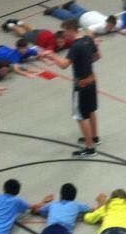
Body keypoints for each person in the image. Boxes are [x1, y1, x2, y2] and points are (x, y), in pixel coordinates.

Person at [43, 19, 101, 157]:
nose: (64, 35)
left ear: (70, 30)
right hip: (92, 80)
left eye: (65, 32)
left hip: (81, 85)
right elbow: (97, 56)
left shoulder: (76, 46)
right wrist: (84, 61)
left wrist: (51, 55)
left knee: (81, 116)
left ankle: (90, 148)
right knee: (91, 110)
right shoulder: (88, 39)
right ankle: (94, 137)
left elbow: (64, 65)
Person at [44, 0, 119, 36]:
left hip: (89, 13)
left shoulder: (114, 23)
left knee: (79, 10)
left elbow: (120, 22)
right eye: (109, 26)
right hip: (80, 19)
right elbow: (89, 30)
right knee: (67, 17)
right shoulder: (101, 27)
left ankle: (71, 5)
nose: (110, 28)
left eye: (111, 26)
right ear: (107, 23)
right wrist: (93, 40)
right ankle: (55, 11)